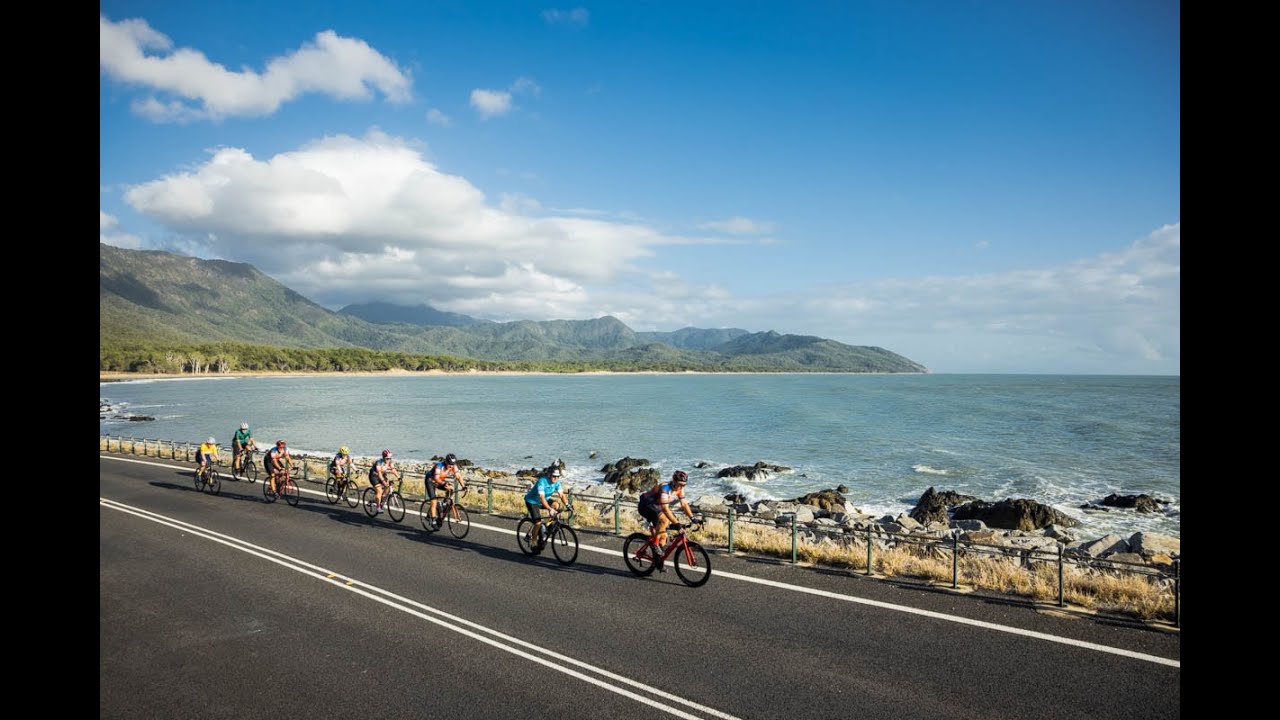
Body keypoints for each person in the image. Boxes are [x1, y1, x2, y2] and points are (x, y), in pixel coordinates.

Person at [637, 470, 695, 569]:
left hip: (657, 506)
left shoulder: (680, 489)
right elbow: (665, 509)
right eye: (680, 484)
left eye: (684, 485)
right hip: (646, 505)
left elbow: (684, 504)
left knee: (664, 536)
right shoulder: (665, 488)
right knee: (664, 520)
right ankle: (655, 545)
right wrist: (677, 524)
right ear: (674, 481)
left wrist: (693, 518)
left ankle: (658, 561)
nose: (681, 487)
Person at [523, 464, 569, 549]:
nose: (556, 478)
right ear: (549, 475)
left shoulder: (557, 482)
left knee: (556, 505)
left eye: (558, 476)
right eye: (554, 476)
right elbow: (541, 497)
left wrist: (567, 504)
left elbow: (562, 495)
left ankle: (547, 525)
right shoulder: (542, 481)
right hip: (532, 501)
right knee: (538, 523)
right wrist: (549, 509)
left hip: (544, 500)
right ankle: (533, 541)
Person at [426, 453, 467, 527]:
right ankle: (433, 519)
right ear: (446, 462)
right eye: (449, 464)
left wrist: (463, 486)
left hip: (440, 481)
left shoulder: (453, 466)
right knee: (434, 501)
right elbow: (436, 478)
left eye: (453, 464)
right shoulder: (439, 466)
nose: (451, 466)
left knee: (451, 488)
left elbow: (458, 476)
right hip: (430, 481)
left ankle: (444, 504)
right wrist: (444, 483)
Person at [367, 449, 401, 515]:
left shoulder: (390, 462)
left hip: (381, 475)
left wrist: (398, 477)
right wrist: (383, 482)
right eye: (387, 458)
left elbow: (393, 470)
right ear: (383, 457)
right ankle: (378, 507)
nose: (388, 459)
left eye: (390, 458)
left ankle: (380, 499)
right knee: (379, 490)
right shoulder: (379, 462)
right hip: (374, 476)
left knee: (387, 487)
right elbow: (379, 474)